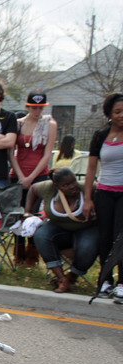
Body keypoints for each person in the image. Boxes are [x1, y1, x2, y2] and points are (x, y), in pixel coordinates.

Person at [26, 167, 98, 293]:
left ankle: (72, 277)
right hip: (59, 228)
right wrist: (27, 212)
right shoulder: (48, 188)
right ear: (56, 186)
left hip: (86, 228)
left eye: (73, 182)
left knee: (87, 246)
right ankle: (62, 279)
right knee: (41, 235)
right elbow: (32, 189)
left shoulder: (88, 188)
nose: (72, 186)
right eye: (66, 185)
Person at [9, 91, 57, 266]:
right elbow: (11, 152)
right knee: (18, 215)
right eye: (34, 108)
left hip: (39, 175)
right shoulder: (18, 124)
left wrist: (31, 177)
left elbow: (47, 154)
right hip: (18, 174)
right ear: (27, 106)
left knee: (33, 215)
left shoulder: (49, 124)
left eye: (40, 108)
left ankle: (32, 255)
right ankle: (18, 253)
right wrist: (21, 176)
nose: (37, 111)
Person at [83, 93, 123, 301]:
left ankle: (122, 283)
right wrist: (88, 198)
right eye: (117, 112)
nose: (121, 115)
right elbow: (91, 169)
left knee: (121, 238)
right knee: (105, 237)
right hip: (104, 192)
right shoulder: (100, 136)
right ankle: (105, 280)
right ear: (109, 113)